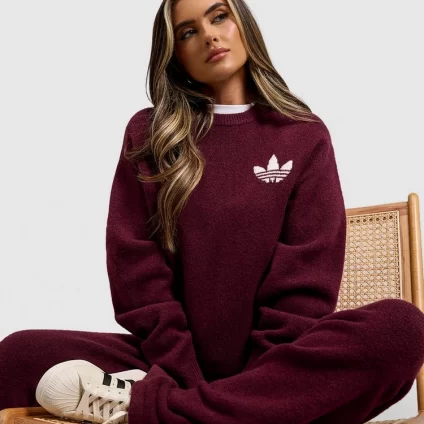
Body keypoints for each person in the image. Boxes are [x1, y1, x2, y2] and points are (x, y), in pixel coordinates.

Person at [1, 0, 424, 423]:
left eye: (219, 16)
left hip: (278, 368)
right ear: (175, 55)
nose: (208, 35)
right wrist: (189, 377)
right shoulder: (150, 134)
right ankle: (222, 413)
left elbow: (304, 286)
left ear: (243, 23)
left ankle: (151, 409)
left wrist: (260, 380)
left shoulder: (302, 135)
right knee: (18, 355)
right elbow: (137, 275)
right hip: (173, 364)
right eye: (187, 32)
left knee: (402, 330)